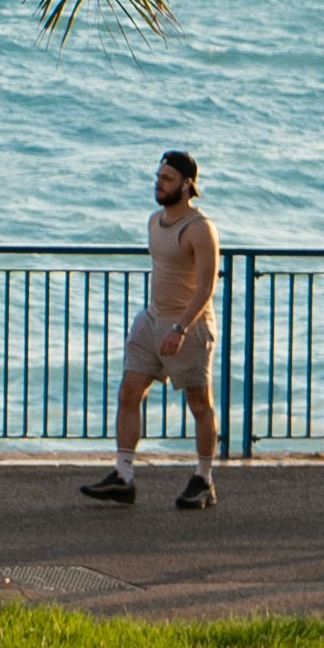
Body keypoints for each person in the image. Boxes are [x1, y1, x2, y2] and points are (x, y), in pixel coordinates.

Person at [80, 150, 220, 510]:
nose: (159, 183)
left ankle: (204, 479)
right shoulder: (154, 221)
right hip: (150, 320)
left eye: (167, 178)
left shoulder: (200, 229)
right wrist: (158, 323)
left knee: (199, 403)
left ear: (187, 184)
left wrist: (180, 328)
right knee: (129, 392)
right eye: (158, 176)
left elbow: (205, 287)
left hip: (187, 325)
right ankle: (123, 476)